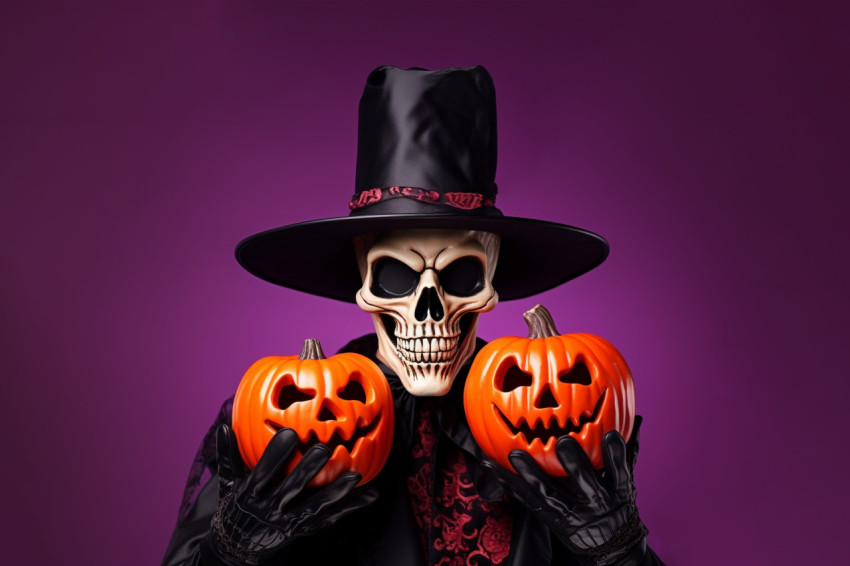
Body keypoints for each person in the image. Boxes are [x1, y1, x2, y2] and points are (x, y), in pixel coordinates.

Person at [162, 65, 665, 566]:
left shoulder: (551, 415)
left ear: (492, 280)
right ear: (363, 281)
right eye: (397, 277)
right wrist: (227, 553)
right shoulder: (276, 420)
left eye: (461, 275)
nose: (429, 307)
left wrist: (622, 555)